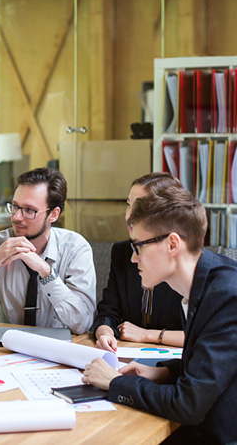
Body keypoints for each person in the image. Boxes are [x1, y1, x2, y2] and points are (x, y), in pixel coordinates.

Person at [82, 186, 237, 445]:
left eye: (139, 246)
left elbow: (189, 405)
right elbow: (213, 369)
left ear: (172, 244)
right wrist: (164, 373)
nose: (133, 258)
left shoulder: (226, 296)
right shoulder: (206, 283)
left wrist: (115, 383)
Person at [0, 167, 96, 334]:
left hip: (56, 348)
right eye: (15, 207)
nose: (16, 217)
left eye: (29, 210)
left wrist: (46, 272)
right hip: (5, 346)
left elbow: (82, 323)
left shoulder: (75, 249)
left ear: (53, 214)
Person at [92, 173, 185, 351]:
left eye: (139, 208)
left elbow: (205, 334)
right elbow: (108, 312)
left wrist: (147, 335)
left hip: (176, 362)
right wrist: (105, 334)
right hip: (128, 353)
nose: (129, 216)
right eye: (129, 205)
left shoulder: (186, 260)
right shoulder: (123, 252)